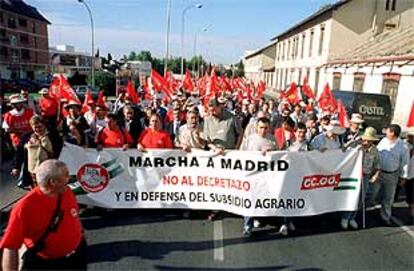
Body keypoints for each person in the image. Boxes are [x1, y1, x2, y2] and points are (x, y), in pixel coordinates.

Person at [0, 160, 87, 271]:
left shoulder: (66, 191)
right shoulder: (25, 207)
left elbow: (73, 215)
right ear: (52, 182)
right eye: (65, 175)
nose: (69, 178)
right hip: (47, 264)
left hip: (76, 257)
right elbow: (10, 246)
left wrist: (81, 234)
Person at [240, 117, 277, 236]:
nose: (263, 130)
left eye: (266, 128)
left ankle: (260, 219)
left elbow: (280, 156)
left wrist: (271, 152)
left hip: (267, 176)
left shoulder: (273, 140)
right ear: (256, 127)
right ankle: (247, 226)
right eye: (261, 127)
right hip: (252, 176)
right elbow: (241, 155)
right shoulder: (250, 140)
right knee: (250, 200)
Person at [341, 127, 380, 230]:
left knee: (360, 198)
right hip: (353, 175)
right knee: (351, 196)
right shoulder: (357, 146)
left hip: (366, 176)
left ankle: (352, 217)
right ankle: (345, 217)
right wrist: (351, 142)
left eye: (369, 140)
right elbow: (343, 150)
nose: (366, 141)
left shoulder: (375, 151)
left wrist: (375, 175)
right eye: (365, 139)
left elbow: (377, 165)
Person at [11, 115, 62, 189]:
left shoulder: (53, 135)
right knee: (37, 191)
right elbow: (20, 153)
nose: (38, 129)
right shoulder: (26, 137)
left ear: (44, 125)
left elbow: (60, 149)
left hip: (50, 169)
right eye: (35, 127)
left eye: (40, 126)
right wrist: (16, 167)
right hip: (33, 171)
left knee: (51, 189)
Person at [372, 124, 409, 225]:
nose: (385, 132)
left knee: (388, 198)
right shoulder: (383, 141)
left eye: (387, 131)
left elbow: (405, 163)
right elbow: (376, 152)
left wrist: (403, 177)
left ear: (392, 133)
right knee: (372, 194)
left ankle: (385, 216)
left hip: (392, 175)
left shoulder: (403, 147)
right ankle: (361, 211)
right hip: (378, 173)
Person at [404, 129, 414, 225]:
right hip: (401, 174)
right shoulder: (403, 145)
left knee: (411, 197)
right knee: (393, 196)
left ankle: (411, 216)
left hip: (412, 175)